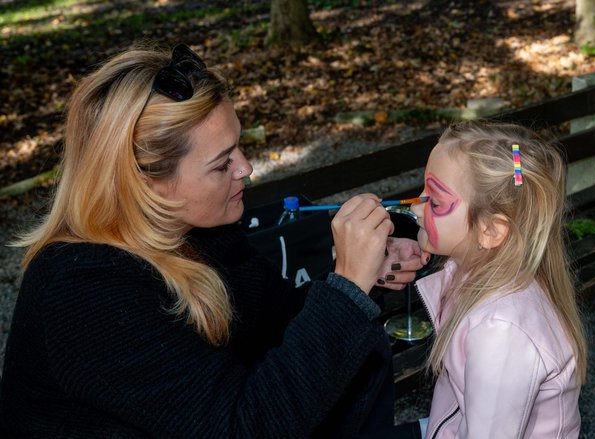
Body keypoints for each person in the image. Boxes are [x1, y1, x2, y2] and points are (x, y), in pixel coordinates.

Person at [0, 43, 429, 438]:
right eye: (222, 163)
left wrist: (361, 272)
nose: (246, 168)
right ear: (146, 184)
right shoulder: (85, 293)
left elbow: (280, 324)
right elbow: (242, 429)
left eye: (238, 146)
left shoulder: (202, 232)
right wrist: (346, 290)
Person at [409, 121, 588, 438]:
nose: (416, 207)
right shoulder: (478, 272)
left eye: (434, 201)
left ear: (491, 230)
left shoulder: (501, 333)